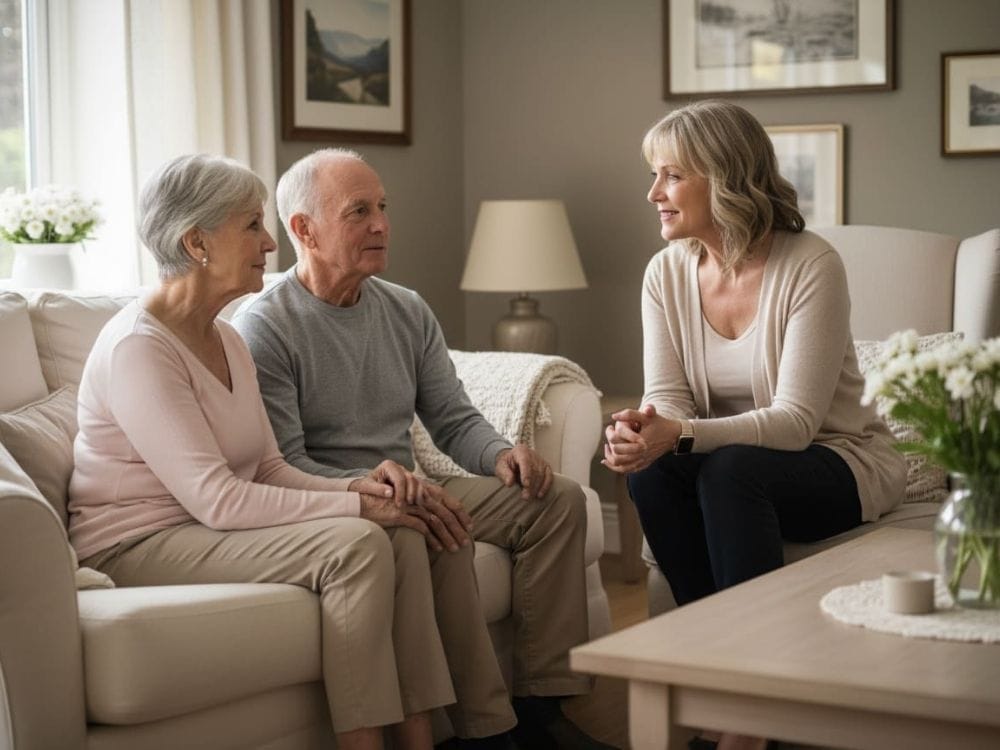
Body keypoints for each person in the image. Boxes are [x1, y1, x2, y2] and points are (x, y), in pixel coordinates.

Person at [68, 153, 494, 750]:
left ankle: (420, 739)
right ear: (196, 242)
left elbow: (269, 467)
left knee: (401, 530)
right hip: (136, 543)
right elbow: (218, 499)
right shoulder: (140, 348)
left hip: (201, 526)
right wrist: (357, 507)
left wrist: (363, 490)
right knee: (357, 545)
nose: (269, 243)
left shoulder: (225, 336)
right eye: (251, 225)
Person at [232, 148, 613, 750]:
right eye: (359, 211)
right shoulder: (265, 326)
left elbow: (453, 418)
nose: (381, 224)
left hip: (410, 482)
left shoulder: (406, 308)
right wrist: (374, 490)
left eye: (382, 207)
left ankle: (544, 706)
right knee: (437, 525)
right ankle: (486, 731)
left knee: (556, 501)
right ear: (304, 229)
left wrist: (500, 454)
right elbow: (283, 463)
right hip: (338, 500)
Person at [603, 101, 906, 750]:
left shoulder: (811, 263)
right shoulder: (665, 273)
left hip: (839, 461)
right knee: (654, 474)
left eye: (671, 176)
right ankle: (716, 675)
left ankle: (749, 714)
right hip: (732, 469)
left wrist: (680, 434)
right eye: (655, 175)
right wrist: (643, 432)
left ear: (724, 177)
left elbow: (796, 424)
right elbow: (668, 400)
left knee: (730, 470)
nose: (654, 193)